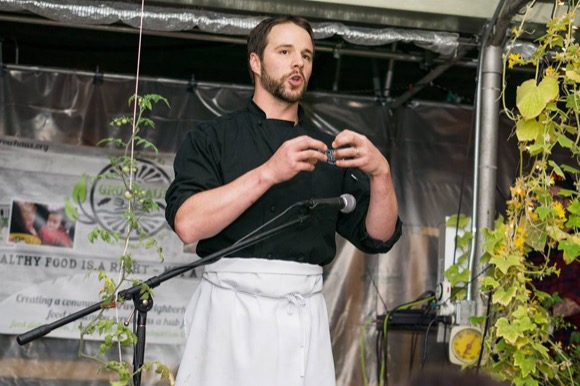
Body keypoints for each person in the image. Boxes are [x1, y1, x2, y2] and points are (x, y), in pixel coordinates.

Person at [165, 15, 402, 386]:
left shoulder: (327, 151)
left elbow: (379, 236)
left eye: (306, 56)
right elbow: (187, 224)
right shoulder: (212, 138)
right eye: (285, 51)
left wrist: (382, 174)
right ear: (256, 63)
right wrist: (269, 172)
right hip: (230, 314)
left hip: (301, 314)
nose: (298, 63)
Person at [528, 173, 579, 354]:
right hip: (536, 354)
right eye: (546, 200)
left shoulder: (576, 245)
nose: (550, 206)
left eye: (556, 199)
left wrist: (544, 318)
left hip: (568, 357)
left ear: (569, 204)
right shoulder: (536, 249)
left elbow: (574, 302)